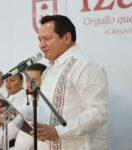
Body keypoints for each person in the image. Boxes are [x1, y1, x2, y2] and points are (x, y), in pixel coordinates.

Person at [28, 15, 108, 150]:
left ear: (67, 37)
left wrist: (59, 132)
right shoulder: (49, 70)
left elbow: (98, 112)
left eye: (46, 39)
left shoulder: (85, 65)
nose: (41, 45)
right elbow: (46, 109)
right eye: (40, 39)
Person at [14, 63, 47, 149]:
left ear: (46, 80)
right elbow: (19, 116)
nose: (29, 84)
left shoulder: (48, 103)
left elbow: (25, 115)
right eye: (27, 80)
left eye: (33, 80)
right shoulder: (28, 97)